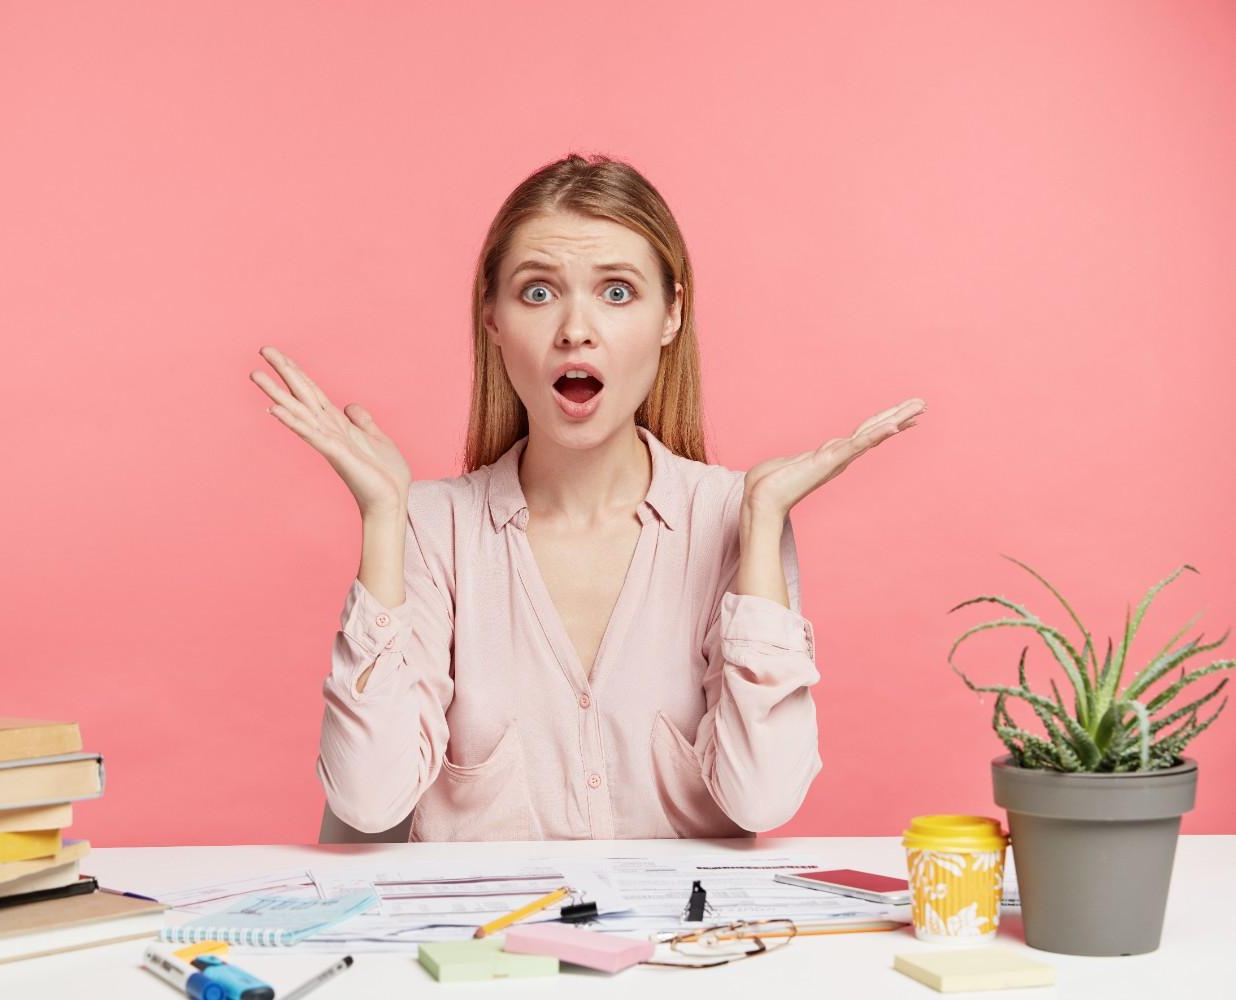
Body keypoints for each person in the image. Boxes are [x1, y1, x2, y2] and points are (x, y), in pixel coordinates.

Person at [250, 153, 925, 841]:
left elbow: (762, 800)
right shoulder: (429, 527)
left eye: (618, 292)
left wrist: (760, 521)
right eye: (538, 293)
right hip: (485, 945)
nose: (576, 329)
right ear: (492, 319)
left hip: (679, 948)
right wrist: (384, 517)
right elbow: (367, 800)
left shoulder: (733, 519)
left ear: (672, 316)